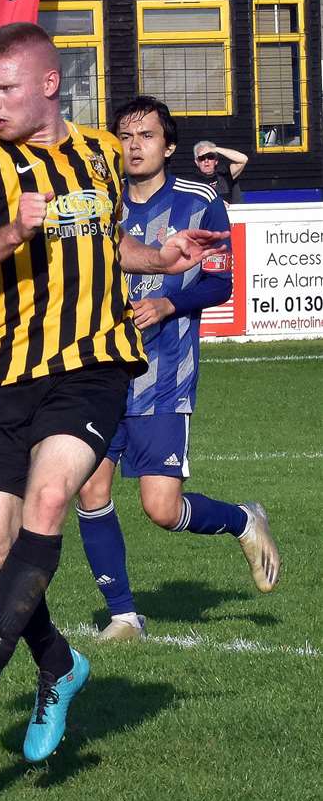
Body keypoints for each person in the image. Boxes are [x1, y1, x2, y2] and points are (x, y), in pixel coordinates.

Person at [0, 23, 225, 763]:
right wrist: (9, 233)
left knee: (52, 497)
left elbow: (107, 241)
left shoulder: (97, 152)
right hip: (4, 373)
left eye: (4, 89)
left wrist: (161, 256)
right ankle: (58, 665)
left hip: (92, 365)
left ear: (48, 84)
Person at [76, 97, 279, 641]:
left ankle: (242, 519)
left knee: (161, 510)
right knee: (90, 490)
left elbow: (220, 281)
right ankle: (124, 616)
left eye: (146, 135)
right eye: (125, 135)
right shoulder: (99, 205)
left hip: (164, 376)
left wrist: (168, 305)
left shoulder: (201, 202)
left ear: (168, 146)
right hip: (98, 371)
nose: (134, 144)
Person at [191, 141, 248, 206]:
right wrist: (215, 203)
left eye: (210, 156)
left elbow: (243, 159)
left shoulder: (224, 173)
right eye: (202, 158)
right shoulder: (192, 181)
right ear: (196, 162)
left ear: (216, 161)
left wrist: (215, 149)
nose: (206, 161)